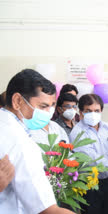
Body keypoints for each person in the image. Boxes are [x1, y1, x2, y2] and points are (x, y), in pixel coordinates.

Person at [0, 69, 74, 214]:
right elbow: (47, 209)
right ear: (17, 101)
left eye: (52, 106)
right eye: (43, 106)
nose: (49, 113)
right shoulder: (19, 141)